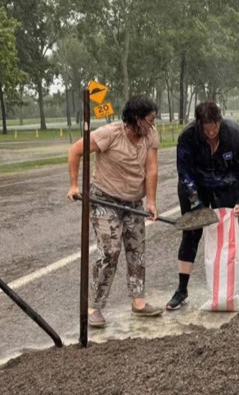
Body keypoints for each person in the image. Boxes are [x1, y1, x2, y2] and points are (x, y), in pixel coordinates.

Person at [67, 95, 163, 327]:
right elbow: (75, 150)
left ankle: (138, 302)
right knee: (109, 251)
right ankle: (94, 308)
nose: (152, 125)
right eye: (149, 120)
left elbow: (151, 169)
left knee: (137, 250)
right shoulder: (109, 134)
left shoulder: (150, 135)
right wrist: (73, 185)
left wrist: (151, 201)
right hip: (105, 202)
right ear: (136, 119)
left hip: (132, 203)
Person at [166, 101, 239, 310]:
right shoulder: (187, 137)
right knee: (191, 234)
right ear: (199, 125)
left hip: (226, 186)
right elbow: (184, 173)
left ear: (220, 121)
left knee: (230, 234)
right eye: (206, 129)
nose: (212, 132)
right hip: (195, 186)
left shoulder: (235, 135)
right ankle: (181, 289)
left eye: (214, 127)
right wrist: (196, 203)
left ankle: (238, 278)